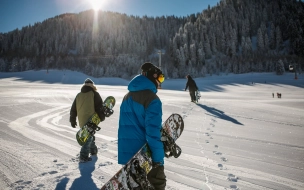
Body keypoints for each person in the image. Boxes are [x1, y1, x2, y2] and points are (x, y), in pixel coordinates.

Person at [118, 62, 166, 189]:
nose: (160, 82)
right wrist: (158, 160)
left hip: (128, 158)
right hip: (146, 159)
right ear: (152, 76)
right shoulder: (152, 99)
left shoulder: (126, 97)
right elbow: (153, 133)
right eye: (160, 78)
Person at [70, 78, 106, 163]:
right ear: (92, 85)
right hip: (91, 119)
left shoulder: (79, 95)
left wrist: (73, 120)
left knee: (89, 135)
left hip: (81, 119)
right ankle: (83, 156)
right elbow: (99, 107)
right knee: (88, 137)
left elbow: (73, 109)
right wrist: (102, 117)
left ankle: (93, 151)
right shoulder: (94, 93)